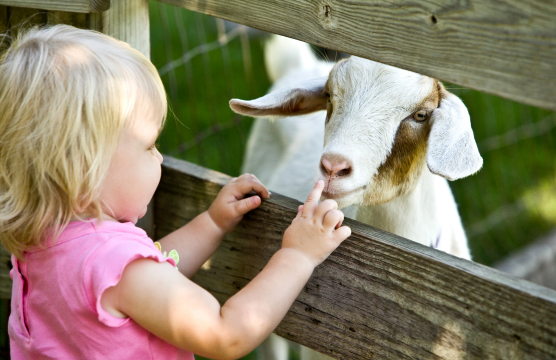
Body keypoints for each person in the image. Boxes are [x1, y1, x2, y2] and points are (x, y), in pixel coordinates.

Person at [0, 25, 351, 359]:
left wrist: (210, 225)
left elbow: (149, 274)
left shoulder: (47, 246)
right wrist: (297, 256)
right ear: (85, 171)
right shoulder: (117, 268)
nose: (160, 156)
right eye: (150, 145)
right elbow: (226, 334)